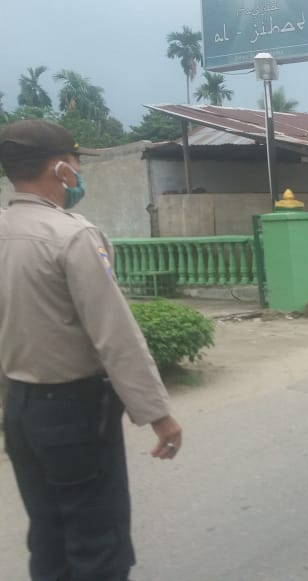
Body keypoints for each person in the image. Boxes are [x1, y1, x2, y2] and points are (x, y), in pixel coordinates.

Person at [0, 119, 183, 581]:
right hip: (75, 414)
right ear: (61, 170)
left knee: (49, 534)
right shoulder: (73, 236)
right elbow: (114, 335)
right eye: (77, 162)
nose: (81, 172)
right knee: (98, 543)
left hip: (20, 410)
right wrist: (159, 414)